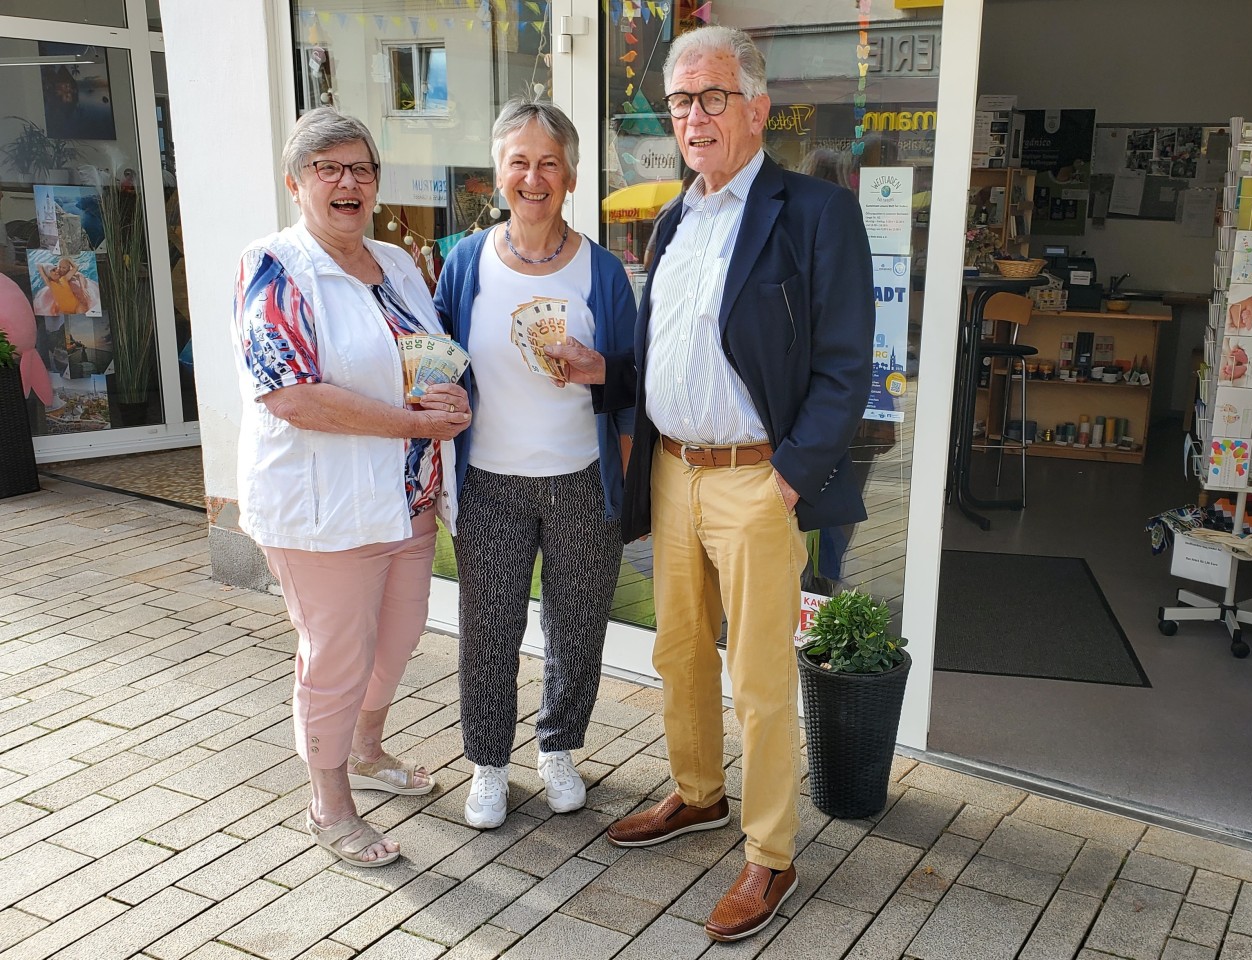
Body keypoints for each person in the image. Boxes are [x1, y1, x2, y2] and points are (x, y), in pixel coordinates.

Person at [549, 25, 874, 942]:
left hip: (753, 479)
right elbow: (670, 353)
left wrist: (789, 479)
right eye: (681, 100)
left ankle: (770, 852)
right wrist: (601, 374)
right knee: (679, 653)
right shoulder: (675, 216)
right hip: (673, 469)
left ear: (759, 109)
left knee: (758, 679)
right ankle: (697, 794)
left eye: (712, 97)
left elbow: (848, 365)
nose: (692, 116)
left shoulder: (813, 212)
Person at [232, 107, 471, 868]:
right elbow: (293, 395)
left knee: (396, 640)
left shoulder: (396, 262)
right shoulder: (273, 266)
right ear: (295, 181)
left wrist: (449, 405)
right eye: (328, 168)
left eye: (361, 169)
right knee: (336, 653)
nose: (348, 182)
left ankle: (367, 750)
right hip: (322, 511)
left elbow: (424, 365)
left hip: (406, 499)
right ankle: (328, 802)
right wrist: (414, 426)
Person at [432, 99, 636, 831]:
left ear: (571, 174)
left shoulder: (604, 272)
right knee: (487, 628)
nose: (534, 176)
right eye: (519, 161)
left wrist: (599, 371)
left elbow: (631, 382)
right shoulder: (464, 263)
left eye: (549, 161)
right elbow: (440, 364)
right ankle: (488, 764)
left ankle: (558, 748)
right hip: (489, 479)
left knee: (577, 624)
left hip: (582, 477)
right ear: (498, 173)